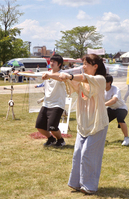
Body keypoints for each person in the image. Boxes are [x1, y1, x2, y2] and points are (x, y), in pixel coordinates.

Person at [45, 54, 108, 194]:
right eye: (83, 63)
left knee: (88, 153)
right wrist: (50, 76)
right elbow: (65, 78)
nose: (83, 67)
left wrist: (69, 76)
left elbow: (81, 78)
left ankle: (89, 186)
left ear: (95, 66)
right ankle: (76, 183)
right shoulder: (81, 79)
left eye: (86, 64)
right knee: (78, 153)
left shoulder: (100, 79)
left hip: (97, 123)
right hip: (84, 123)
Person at [35, 54, 66, 147]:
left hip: (57, 104)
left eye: (54, 62)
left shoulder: (63, 75)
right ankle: (51, 139)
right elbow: (34, 74)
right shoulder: (47, 73)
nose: (51, 63)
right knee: (39, 126)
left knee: (52, 127)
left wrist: (49, 75)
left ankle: (60, 140)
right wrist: (19, 73)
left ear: (59, 64)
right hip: (46, 104)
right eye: (51, 61)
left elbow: (59, 77)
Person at [104, 74, 129, 146]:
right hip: (111, 108)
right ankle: (101, 138)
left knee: (120, 120)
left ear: (109, 82)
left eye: (104, 82)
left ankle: (127, 138)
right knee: (102, 121)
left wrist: (103, 104)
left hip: (121, 108)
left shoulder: (115, 89)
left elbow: (114, 100)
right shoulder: (101, 90)